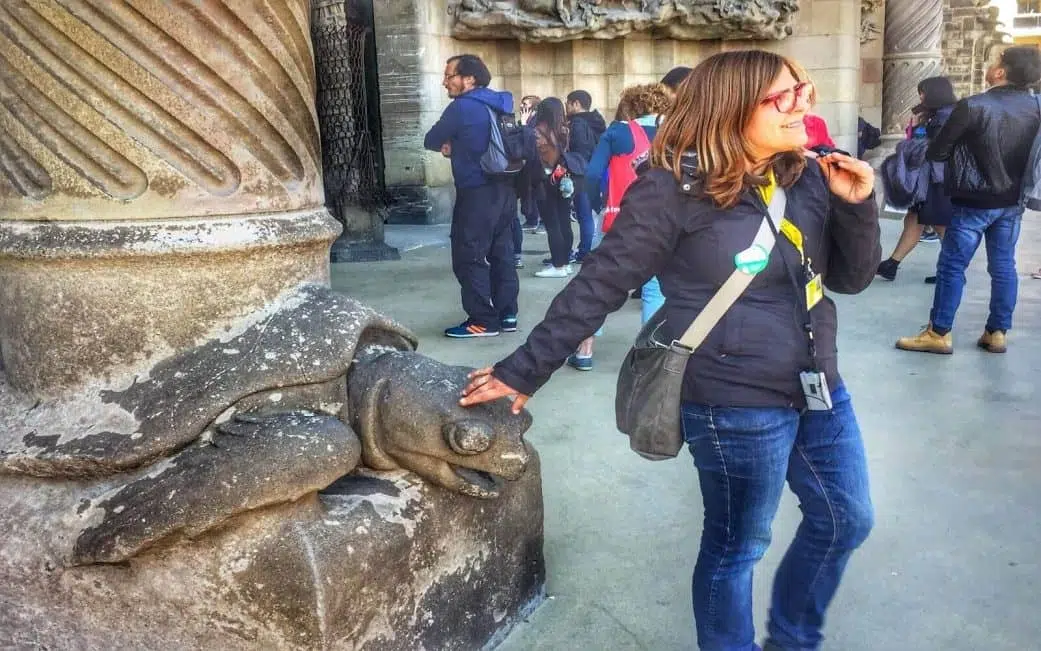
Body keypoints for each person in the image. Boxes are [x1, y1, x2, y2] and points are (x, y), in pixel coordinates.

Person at [460, 49, 880, 651]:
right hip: (732, 398)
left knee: (847, 519)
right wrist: (523, 369)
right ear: (732, 106)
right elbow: (602, 280)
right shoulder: (672, 187)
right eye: (783, 96)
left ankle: (792, 639)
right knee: (738, 547)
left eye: (804, 90)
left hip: (818, 381)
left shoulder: (807, 174)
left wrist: (857, 206)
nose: (802, 106)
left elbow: (849, 279)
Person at [896, 45, 1041, 355]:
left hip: (973, 199)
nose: (991, 64)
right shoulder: (1036, 107)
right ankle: (997, 331)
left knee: (952, 266)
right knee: (1003, 266)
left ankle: (939, 332)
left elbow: (938, 152)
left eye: (996, 60)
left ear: (1001, 72)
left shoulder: (974, 106)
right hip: (1012, 201)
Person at [563, 82, 673, 371]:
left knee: (599, 283)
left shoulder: (618, 132)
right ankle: (651, 355)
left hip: (620, 219)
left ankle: (585, 350)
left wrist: (601, 205)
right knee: (654, 290)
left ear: (631, 106)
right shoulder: (677, 132)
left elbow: (592, 174)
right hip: (664, 223)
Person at [423, 54, 520, 338]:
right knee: (502, 253)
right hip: (505, 189)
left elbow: (431, 139)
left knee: (469, 255)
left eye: (449, 75)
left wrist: (451, 142)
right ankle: (507, 314)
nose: (444, 82)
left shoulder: (461, 108)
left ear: (469, 79)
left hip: (476, 191)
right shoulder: (502, 102)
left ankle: (482, 320)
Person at [876, 76, 958, 283]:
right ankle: (892, 264)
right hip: (929, 179)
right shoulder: (935, 114)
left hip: (937, 180)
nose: (920, 95)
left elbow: (934, 149)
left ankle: (951, 271)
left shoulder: (946, 116)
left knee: (940, 225)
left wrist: (911, 144)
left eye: (923, 91)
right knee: (913, 219)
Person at [531, 97, 581, 278]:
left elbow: (534, 155)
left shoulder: (538, 131)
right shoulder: (565, 129)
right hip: (563, 177)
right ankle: (566, 262)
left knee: (552, 224)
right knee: (564, 221)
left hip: (546, 179)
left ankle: (558, 265)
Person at [565, 90, 607, 263]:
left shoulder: (578, 123)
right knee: (590, 214)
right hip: (597, 172)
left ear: (576, 104)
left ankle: (584, 252)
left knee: (584, 214)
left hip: (583, 173)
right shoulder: (598, 121)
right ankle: (588, 249)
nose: (566, 107)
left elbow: (580, 151)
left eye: (568, 103)